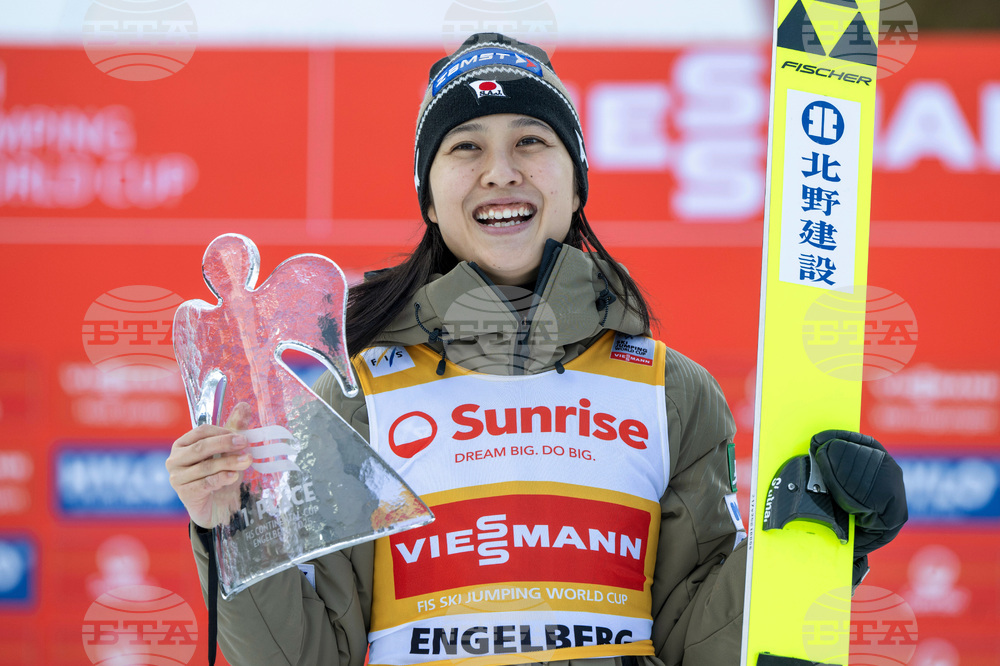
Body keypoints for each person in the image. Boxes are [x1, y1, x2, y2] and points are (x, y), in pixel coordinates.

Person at [166, 33, 907, 666]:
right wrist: (231, 527)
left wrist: (811, 537)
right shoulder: (353, 400)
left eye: (531, 140)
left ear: (576, 182)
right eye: (466, 147)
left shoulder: (672, 391)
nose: (500, 170)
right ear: (428, 196)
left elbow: (695, 640)